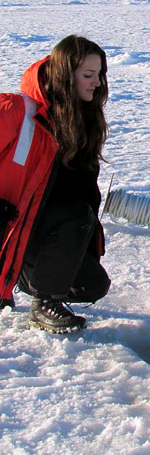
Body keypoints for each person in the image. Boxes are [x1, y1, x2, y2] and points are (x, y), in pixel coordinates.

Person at [0, 35, 111, 333]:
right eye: (88, 75)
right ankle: (44, 303)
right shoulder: (17, 112)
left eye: (99, 75)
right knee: (74, 214)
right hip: (9, 230)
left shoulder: (82, 122)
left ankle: (29, 280)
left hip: (35, 236)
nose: (97, 82)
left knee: (93, 285)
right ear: (65, 76)